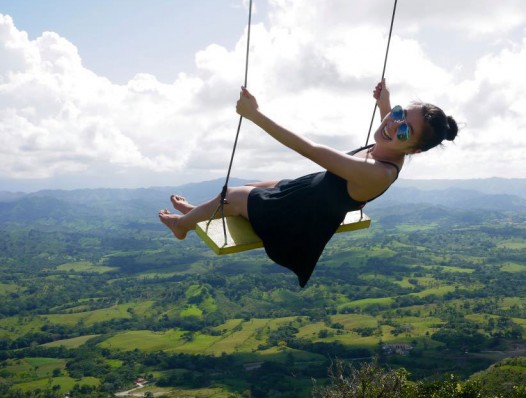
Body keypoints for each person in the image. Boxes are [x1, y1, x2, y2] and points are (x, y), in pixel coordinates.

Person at [159, 79, 458, 287]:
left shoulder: (377, 173)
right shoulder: (395, 142)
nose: (393, 123)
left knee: (233, 197)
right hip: (309, 190)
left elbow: (310, 150)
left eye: (405, 129)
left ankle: (181, 227)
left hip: (300, 216)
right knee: (247, 187)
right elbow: (392, 126)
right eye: (399, 114)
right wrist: (386, 102)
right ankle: (196, 211)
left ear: (414, 150)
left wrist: (255, 116)